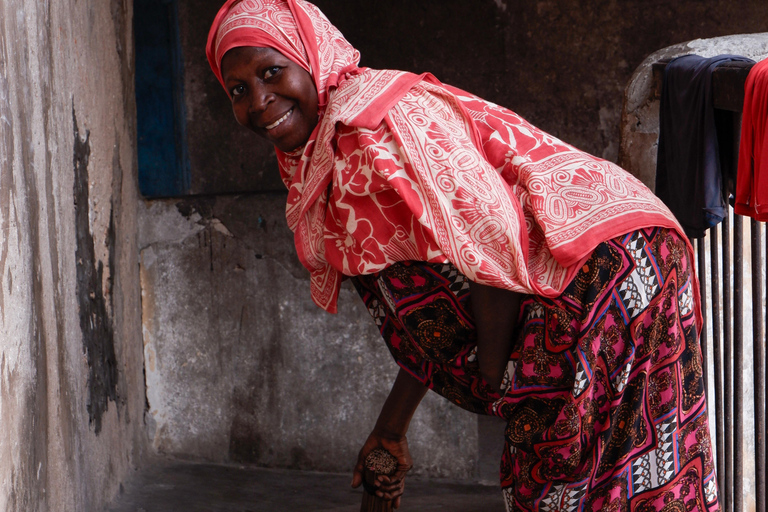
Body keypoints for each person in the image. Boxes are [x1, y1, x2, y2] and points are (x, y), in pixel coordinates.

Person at [206, 1, 719, 510]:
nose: (259, 102)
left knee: (559, 488)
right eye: (238, 90)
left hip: (597, 274)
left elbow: (489, 236)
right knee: (641, 482)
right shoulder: (327, 149)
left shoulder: (365, 128)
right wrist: (390, 431)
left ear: (311, 58)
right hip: (618, 258)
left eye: (272, 72)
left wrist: (498, 385)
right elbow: (438, 306)